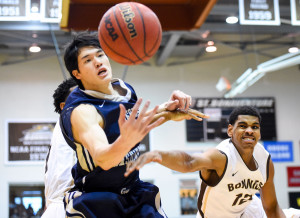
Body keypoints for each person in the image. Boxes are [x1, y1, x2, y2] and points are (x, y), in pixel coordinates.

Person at [60, 31, 208, 217]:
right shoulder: (83, 111)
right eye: (88, 60)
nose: (98, 61)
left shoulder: (124, 90)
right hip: (97, 199)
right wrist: (125, 141)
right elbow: (104, 159)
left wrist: (167, 112)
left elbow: (135, 125)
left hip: (133, 191)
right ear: (77, 73)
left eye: (100, 54)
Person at [125, 106, 291, 218]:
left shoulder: (265, 160)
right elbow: (189, 161)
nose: (249, 130)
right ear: (230, 130)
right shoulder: (221, 157)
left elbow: (271, 206)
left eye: (255, 127)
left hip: (247, 210)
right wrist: (157, 154)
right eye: (243, 125)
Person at [42, 78, 78, 218]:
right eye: (78, 95)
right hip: (65, 208)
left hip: (59, 206)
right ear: (64, 106)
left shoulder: (63, 125)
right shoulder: (70, 117)